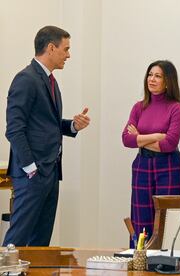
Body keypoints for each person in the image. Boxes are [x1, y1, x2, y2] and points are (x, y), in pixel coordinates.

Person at [3, 26, 90, 246]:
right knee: (18, 238)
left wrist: (72, 126)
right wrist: (30, 167)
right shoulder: (26, 79)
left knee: (41, 241)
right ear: (51, 48)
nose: (68, 55)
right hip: (33, 173)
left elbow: (45, 124)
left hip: (51, 172)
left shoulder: (50, 80)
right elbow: (14, 128)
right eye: (66, 49)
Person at [122, 60, 180, 244]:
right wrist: (157, 135)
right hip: (142, 165)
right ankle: (141, 260)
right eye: (150, 75)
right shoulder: (139, 107)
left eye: (158, 76)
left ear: (168, 81)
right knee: (141, 217)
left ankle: (165, 263)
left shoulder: (176, 107)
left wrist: (140, 138)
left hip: (168, 166)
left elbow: (169, 144)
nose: (152, 79)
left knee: (166, 217)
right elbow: (126, 139)